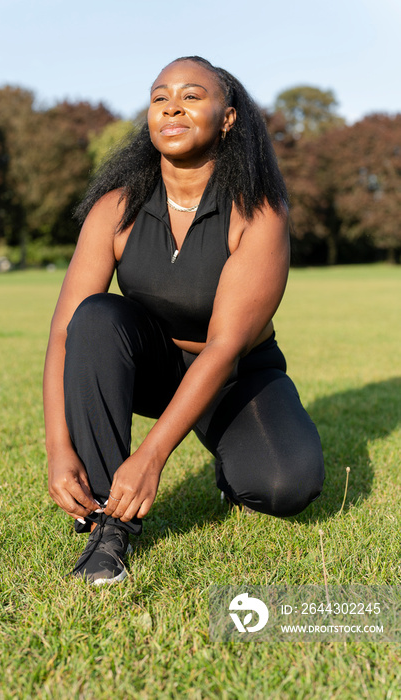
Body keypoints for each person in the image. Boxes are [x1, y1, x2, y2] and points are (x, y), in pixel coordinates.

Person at [43, 56, 325, 586]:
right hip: (150, 366)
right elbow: (64, 333)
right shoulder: (116, 207)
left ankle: (228, 463)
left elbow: (222, 346)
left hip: (233, 373)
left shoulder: (259, 211)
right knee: (96, 317)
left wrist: (152, 456)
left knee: (287, 485)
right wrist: (59, 447)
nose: (172, 105)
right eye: (159, 96)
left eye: (192, 96)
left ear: (228, 118)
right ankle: (110, 527)